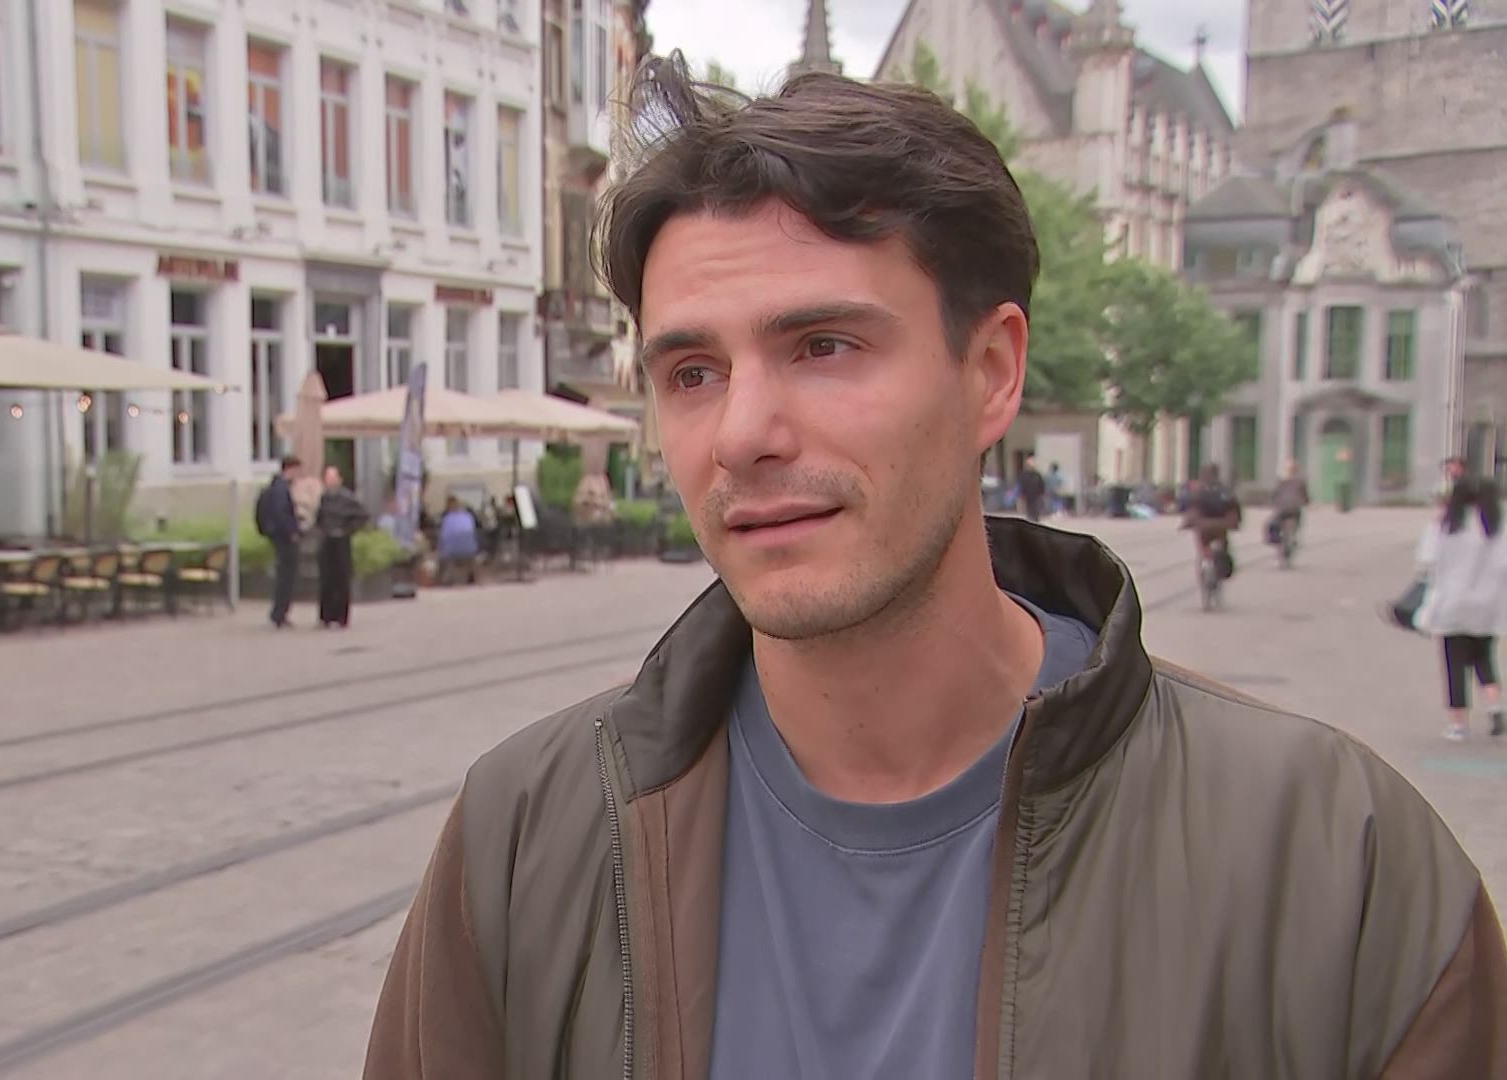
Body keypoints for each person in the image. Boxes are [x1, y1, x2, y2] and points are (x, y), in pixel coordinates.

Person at [365, 55, 1507, 1079]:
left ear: (992, 372)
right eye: (693, 373)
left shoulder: (1335, 864)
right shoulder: (527, 838)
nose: (743, 434)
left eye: (823, 346)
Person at [1417, 476, 1507, 741]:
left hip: (1452, 603)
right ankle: (1495, 707)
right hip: (1487, 605)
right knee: (1485, 658)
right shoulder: (1496, 525)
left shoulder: (1446, 525)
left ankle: (1459, 725)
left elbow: (1426, 559)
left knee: (1454, 664)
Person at [314, 465, 369, 629]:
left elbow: (362, 516)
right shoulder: (324, 498)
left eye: (333, 478)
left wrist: (347, 530)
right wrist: (321, 529)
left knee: (341, 579)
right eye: (327, 478)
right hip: (327, 541)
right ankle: (326, 616)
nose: (330, 482)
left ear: (339, 480)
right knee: (326, 579)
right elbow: (319, 517)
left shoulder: (348, 498)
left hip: (341, 541)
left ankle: (340, 616)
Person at [254, 455, 302, 629]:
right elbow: (281, 513)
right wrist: (292, 532)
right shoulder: (281, 489)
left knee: (284, 574)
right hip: (284, 538)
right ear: (290, 469)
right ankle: (279, 613)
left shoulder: (275, 486)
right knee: (286, 576)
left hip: (277, 535)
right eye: (297, 471)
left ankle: (279, 613)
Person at [1182, 462, 1241, 577]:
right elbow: (1234, 509)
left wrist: (1186, 523)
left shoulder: (1198, 491)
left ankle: (1206, 561)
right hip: (1221, 526)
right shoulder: (1225, 491)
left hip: (1204, 527)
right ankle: (1219, 565)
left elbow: (1192, 510)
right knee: (1223, 546)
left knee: (1204, 545)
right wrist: (1235, 523)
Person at [436, 496, 480, 585]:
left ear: (447, 507)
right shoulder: (468, 516)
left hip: (452, 551)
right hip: (470, 549)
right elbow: (473, 532)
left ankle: (445, 577)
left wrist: (439, 547)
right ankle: (471, 575)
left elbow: (443, 537)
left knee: (443, 554)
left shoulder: (447, 519)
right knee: (469, 553)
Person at [1269, 459, 1310, 546]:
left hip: (1282, 508)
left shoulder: (1282, 481)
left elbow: (1275, 494)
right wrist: (1306, 502)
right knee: (1297, 519)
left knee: (1274, 521)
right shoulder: (1300, 481)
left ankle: (1275, 537)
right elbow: (1305, 495)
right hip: (1294, 508)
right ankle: (1293, 535)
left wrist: (1274, 503)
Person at [1016, 453, 1046, 522]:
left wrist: (1043, 495)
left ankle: (1036, 521)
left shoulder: (1037, 475)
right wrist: (1020, 497)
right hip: (1027, 496)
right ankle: (1031, 521)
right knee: (1029, 512)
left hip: (1036, 496)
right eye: (1029, 465)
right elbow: (1021, 486)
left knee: (1036, 511)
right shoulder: (1024, 475)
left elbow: (1042, 485)